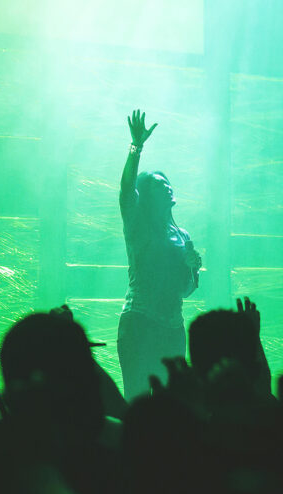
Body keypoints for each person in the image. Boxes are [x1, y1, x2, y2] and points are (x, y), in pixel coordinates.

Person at [117, 109, 202, 400]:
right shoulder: (137, 225)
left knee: (172, 407)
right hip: (140, 324)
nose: (167, 186)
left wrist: (192, 270)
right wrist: (136, 148)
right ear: (146, 196)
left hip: (173, 328)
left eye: (167, 182)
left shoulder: (183, 236)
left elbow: (186, 290)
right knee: (139, 402)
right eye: (158, 184)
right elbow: (126, 190)